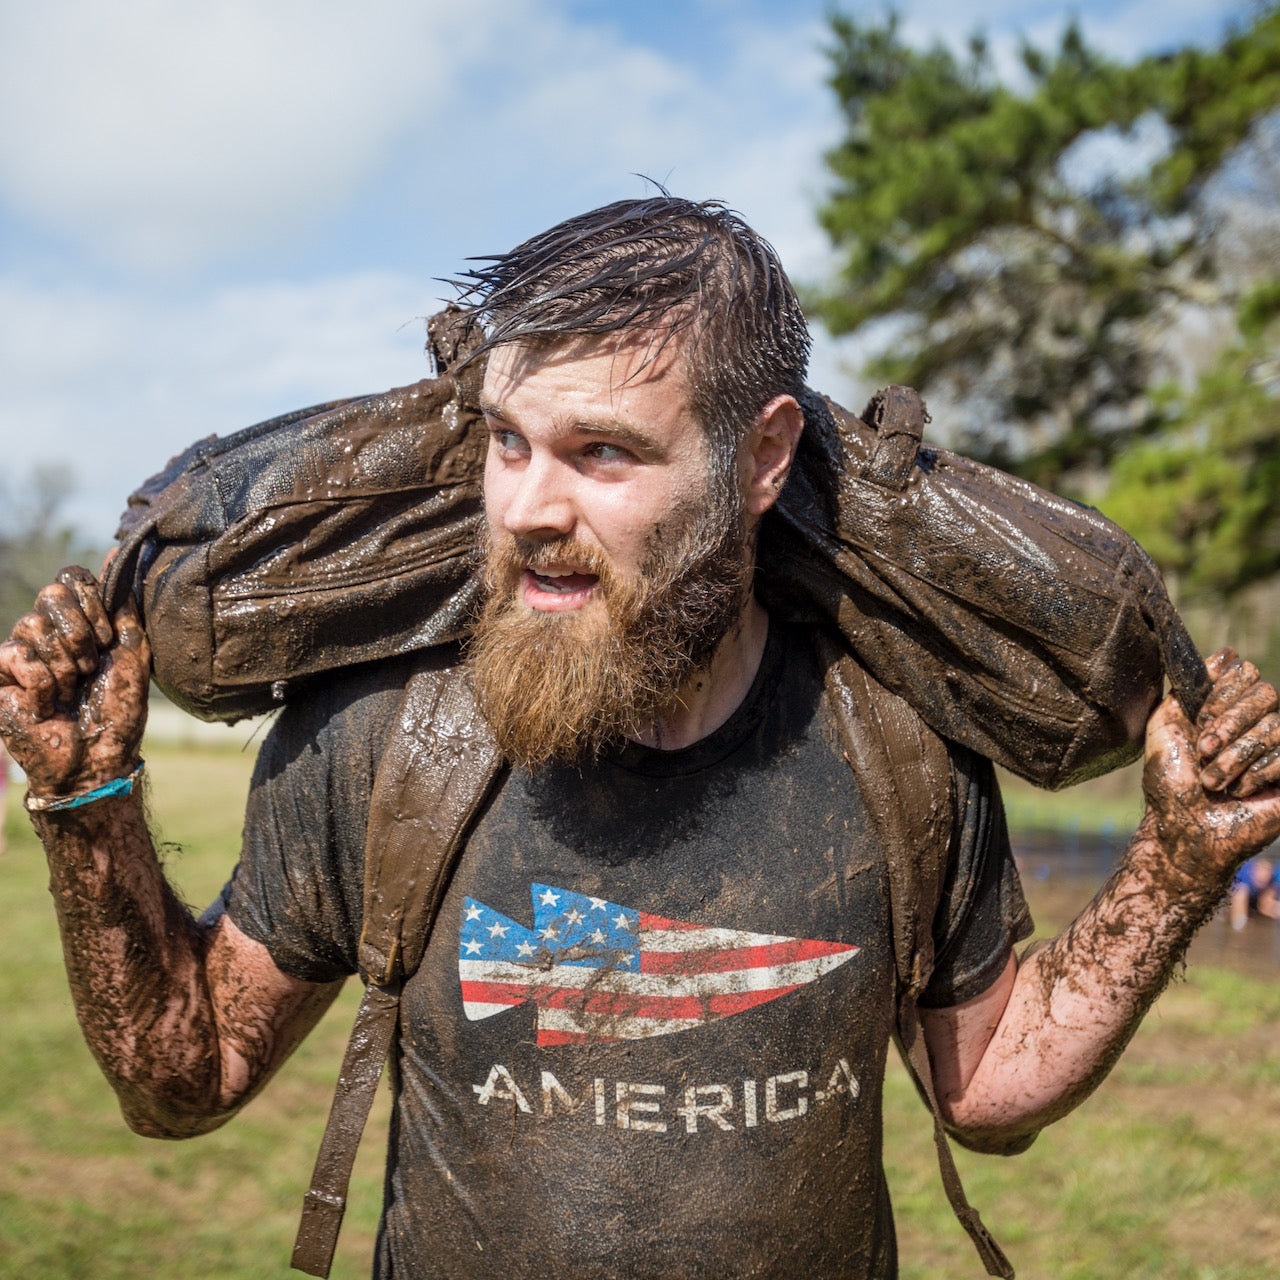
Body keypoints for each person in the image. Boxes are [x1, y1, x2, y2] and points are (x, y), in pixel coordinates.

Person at [3, 196, 1280, 1280]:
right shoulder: (386, 735)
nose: (524, 508)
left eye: (600, 451)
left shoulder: (896, 741)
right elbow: (185, 1072)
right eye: (507, 440)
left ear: (762, 457)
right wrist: (85, 804)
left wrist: (1174, 867)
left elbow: (987, 1076)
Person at [1229, 854, 1280, 929]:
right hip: (1240, 892)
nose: (1264, 875)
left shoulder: (1276, 874)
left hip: (1262, 893)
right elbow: (1238, 903)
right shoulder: (1243, 874)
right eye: (1261, 869)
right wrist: (1240, 925)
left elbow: (1270, 904)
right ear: (1254, 870)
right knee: (1237, 910)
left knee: (1269, 908)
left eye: (1267, 870)